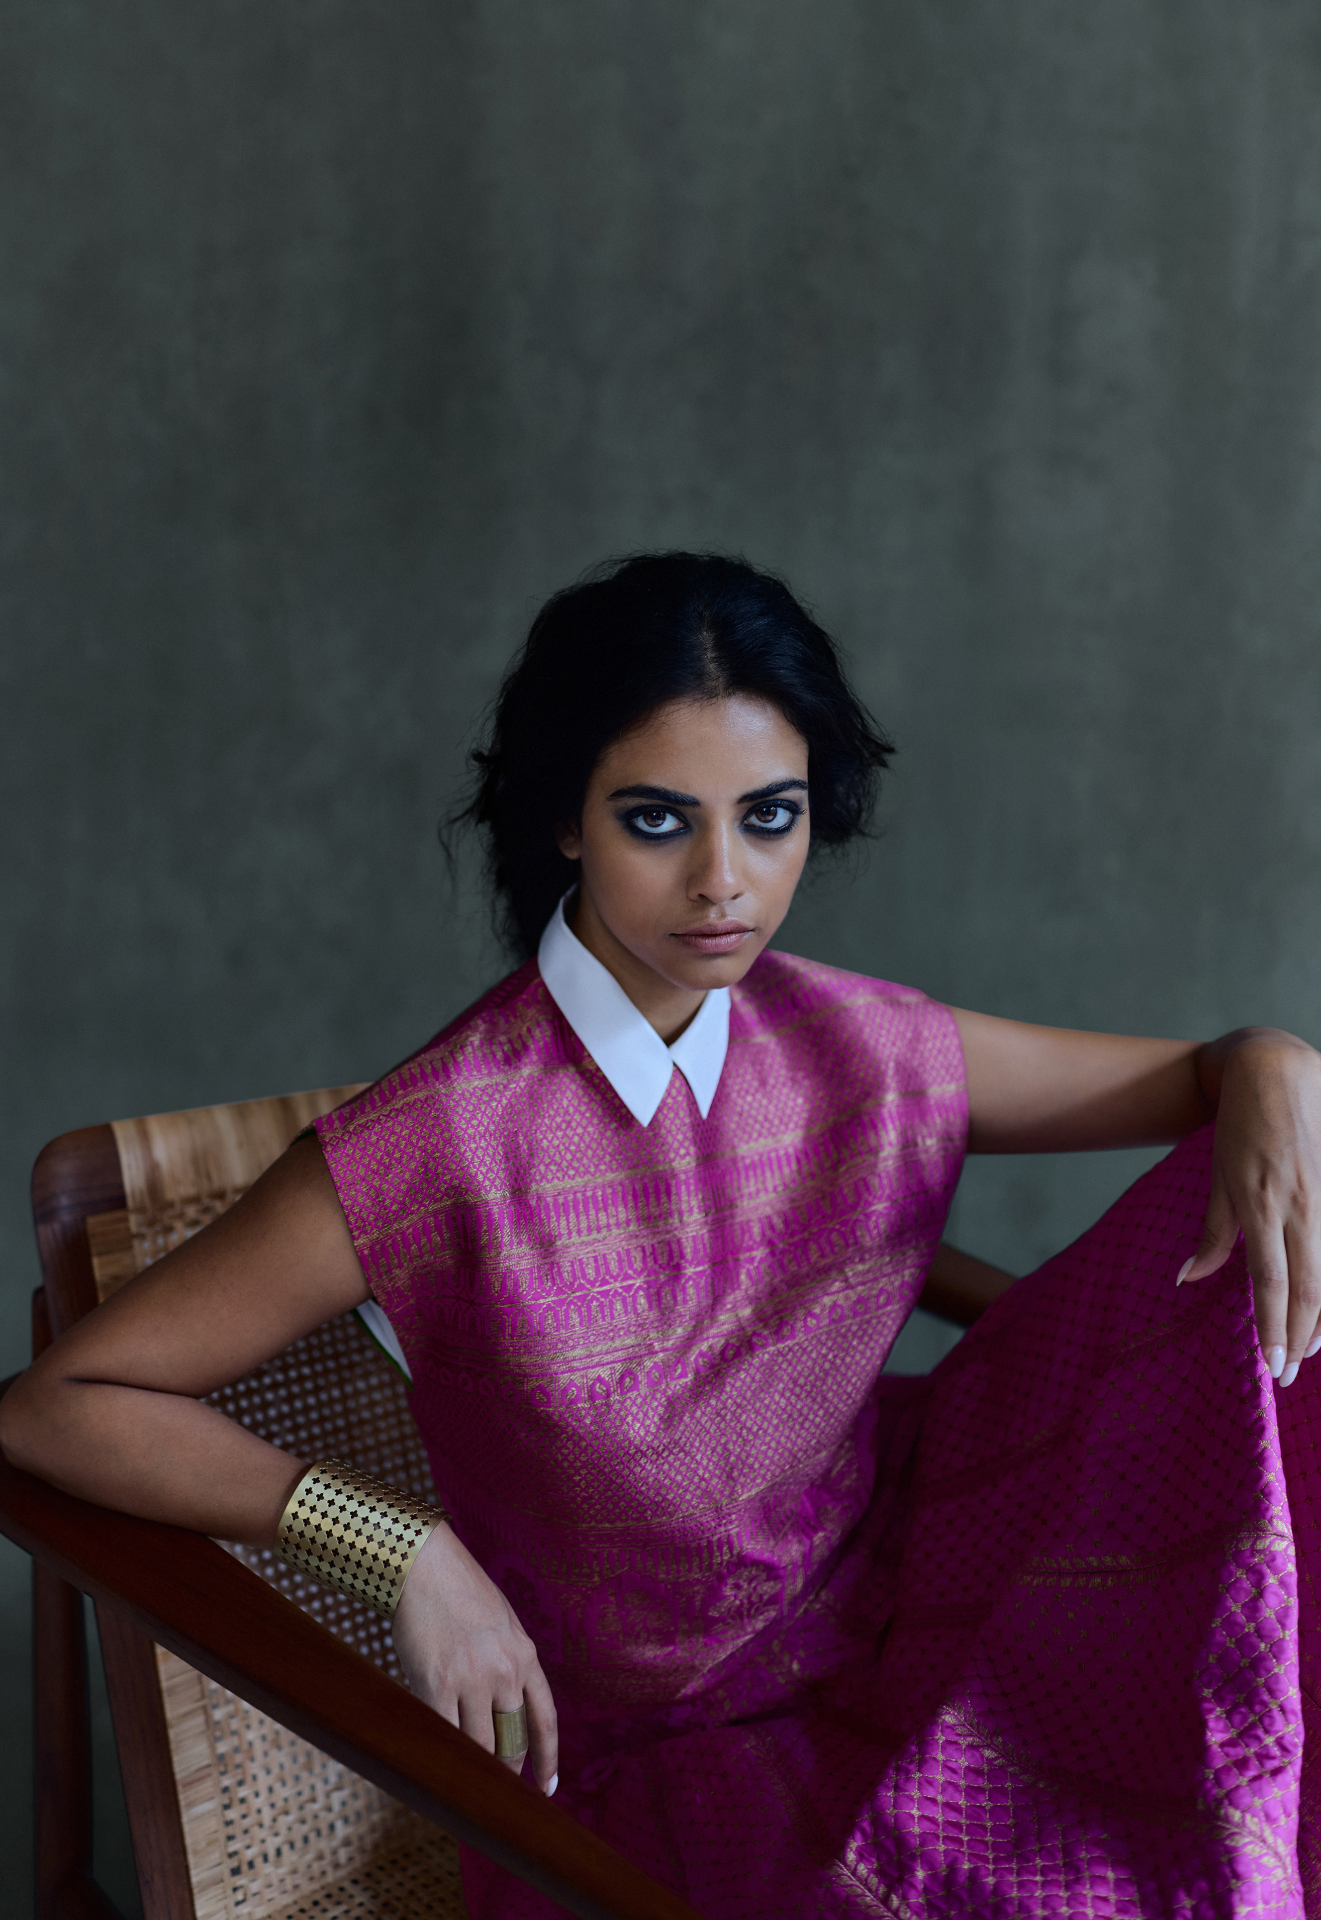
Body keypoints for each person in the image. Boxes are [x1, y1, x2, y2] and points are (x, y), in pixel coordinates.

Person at [5, 550, 1321, 1918]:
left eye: (769, 816)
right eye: (655, 820)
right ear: (564, 820)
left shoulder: (859, 1045)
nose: (722, 882)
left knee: (1281, 1299)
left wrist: (1276, 1061)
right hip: (657, 1770)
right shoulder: (436, 1145)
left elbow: (1208, 1077)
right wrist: (400, 1546)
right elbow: (52, 1406)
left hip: (922, 1591)